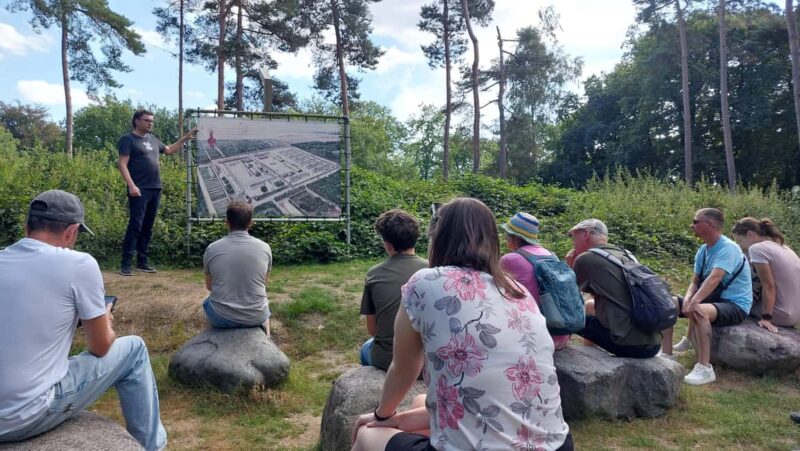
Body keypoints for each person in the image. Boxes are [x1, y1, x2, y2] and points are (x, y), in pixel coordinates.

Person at [351, 198, 572, 451]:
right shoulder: (517, 290)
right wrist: (400, 421)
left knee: (367, 435)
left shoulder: (424, 283)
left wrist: (381, 416)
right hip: (558, 444)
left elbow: (404, 370)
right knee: (420, 401)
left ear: (438, 238)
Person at [0, 190, 166, 450]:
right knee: (134, 349)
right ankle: (151, 446)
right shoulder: (79, 264)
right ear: (72, 231)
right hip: (20, 415)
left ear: (26, 227)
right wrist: (105, 320)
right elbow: (100, 347)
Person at [661, 208, 752, 385]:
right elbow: (695, 282)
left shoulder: (728, 248)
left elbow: (715, 278)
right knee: (668, 303)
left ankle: (705, 368)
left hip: (735, 304)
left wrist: (694, 302)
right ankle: (667, 353)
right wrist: (688, 299)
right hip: (713, 300)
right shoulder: (703, 250)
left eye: (696, 222)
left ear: (710, 224)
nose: (692, 225)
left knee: (699, 311)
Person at [566, 219, 662, 358]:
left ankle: (557, 352)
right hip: (654, 343)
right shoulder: (625, 254)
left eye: (574, 237)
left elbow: (568, 296)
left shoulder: (585, 258)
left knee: (564, 314)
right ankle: (590, 354)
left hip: (627, 344)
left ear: (586, 234)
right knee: (591, 306)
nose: (573, 242)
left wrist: (570, 266)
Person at [118, 109, 197, 276]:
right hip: (139, 189)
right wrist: (131, 185)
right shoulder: (128, 139)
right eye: (146, 120)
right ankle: (126, 264)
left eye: (151, 121)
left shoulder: (153, 139)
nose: (150, 123)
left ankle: (142, 262)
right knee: (135, 225)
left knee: (148, 226)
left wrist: (185, 138)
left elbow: (168, 150)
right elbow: (122, 164)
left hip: (155, 187)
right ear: (137, 121)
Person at [359, 209, 428, 371]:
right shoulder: (434, 268)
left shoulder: (374, 274)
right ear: (415, 239)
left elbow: (373, 330)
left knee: (365, 349)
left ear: (388, 244)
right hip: (427, 362)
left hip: (388, 361)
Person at [499, 212, 570, 350]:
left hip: (536, 339)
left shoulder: (509, 259)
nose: (505, 237)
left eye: (507, 233)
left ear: (515, 237)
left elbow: (497, 293)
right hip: (560, 334)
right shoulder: (551, 255)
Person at [203, 200, 273, 336]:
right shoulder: (265, 247)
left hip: (220, 317)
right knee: (264, 301)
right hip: (256, 316)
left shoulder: (212, 248)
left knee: (208, 302)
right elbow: (264, 283)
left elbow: (210, 287)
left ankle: (209, 339)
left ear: (226, 222)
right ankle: (267, 338)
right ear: (251, 222)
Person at [731, 217, 800, 330]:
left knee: (734, 303)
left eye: (740, 241)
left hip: (781, 313)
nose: (740, 246)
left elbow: (768, 285)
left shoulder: (756, 249)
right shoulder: (783, 246)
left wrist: (766, 318)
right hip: (796, 315)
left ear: (750, 234)